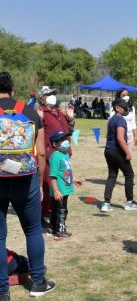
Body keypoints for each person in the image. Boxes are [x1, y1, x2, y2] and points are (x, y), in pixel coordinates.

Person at [0, 72, 55, 300]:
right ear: (12, 89)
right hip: (26, 178)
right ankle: (38, 282)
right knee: (32, 230)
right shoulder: (29, 111)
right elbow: (41, 152)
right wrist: (40, 181)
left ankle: (2, 291)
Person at [37, 87, 75, 228]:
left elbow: (67, 131)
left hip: (62, 155)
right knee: (47, 186)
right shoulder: (41, 113)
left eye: (54, 94)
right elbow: (36, 131)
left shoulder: (58, 113)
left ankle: (54, 214)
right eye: (49, 94)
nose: (53, 96)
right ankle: (42, 215)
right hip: (49, 155)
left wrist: (70, 119)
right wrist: (39, 120)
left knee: (61, 186)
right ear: (42, 98)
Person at [101, 98, 137, 212]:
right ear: (117, 108)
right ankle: (129, 202)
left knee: (112, 175)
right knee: (129, 174)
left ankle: (106, 203)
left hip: (108, 150)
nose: (125, 109)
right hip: (116, 151)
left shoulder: (111, 120)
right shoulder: (121, 120)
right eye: (123, 107)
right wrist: (127, 152)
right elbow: (120, 139)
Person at [48, 130, 76, 238]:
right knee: (62, 210)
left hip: (66, 188)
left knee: (57, 209)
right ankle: (60, 230)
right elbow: (53, 175)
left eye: (65, 139)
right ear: (55, 144)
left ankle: (53, 227)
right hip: (59, 190)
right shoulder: (55, 156)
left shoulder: (65, 154)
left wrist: (73, 179)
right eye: (61, 140)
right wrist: (56, 190)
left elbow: (66, 170)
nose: (65, 142)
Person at [110, 88, 137, 153]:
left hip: (129, 137)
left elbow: (133, 123)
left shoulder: (132, 108)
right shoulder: (114, 108)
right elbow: (112, 122)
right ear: (119, 96)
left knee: (127, 158)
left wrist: (135, 136)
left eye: (127, 95)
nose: (126, 97)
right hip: (119, 137)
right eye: (124, 95)